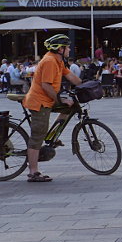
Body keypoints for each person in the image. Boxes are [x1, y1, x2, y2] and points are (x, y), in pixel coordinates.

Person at [22, 34, 82, 182]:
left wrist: (87, 85)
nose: (69, 49)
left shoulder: (58, 61)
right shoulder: (49, 61)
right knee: (37, 136)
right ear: (60, 49)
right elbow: (45, 85)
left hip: (47, 99)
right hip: (40, 102)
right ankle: (33, 172)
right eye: (67, 47)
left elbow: (72, 77)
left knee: (68, 108)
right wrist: (59, 99)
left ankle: (51, 137)